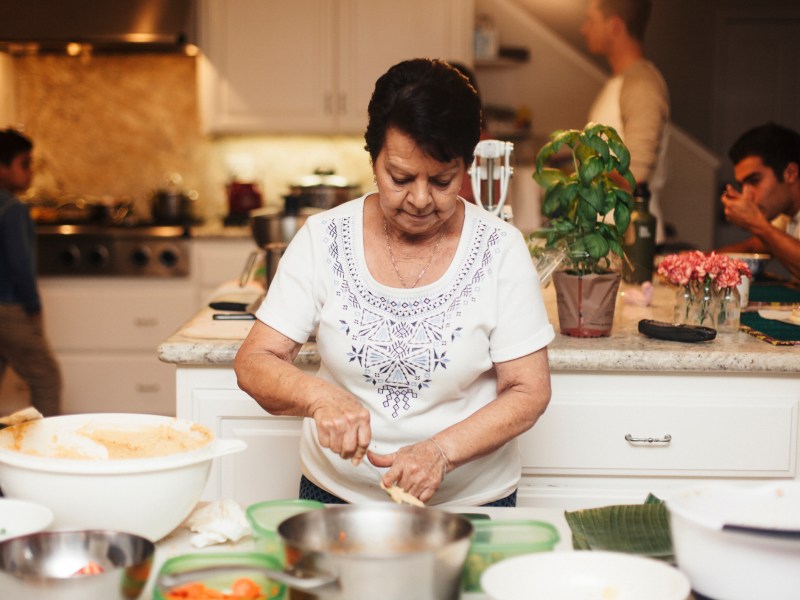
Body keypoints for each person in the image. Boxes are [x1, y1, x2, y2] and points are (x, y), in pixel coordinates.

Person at [235, 58, 554, 507]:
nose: (421, 200)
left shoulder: (501, 249)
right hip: (335, 498)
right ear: (373, 160)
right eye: (400, 178)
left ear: (466, 165)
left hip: (470, 505)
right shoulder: (323, 238)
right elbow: (254, 361)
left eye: (443, 180)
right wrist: (318, 397)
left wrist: (441, 452)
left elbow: (529, 390)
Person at [581, 0, 670, 244]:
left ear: (615, 26)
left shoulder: (642, 85)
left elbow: (635, 176)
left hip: (632, 240)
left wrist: (583, 161)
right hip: (611, 235)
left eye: (591, 20)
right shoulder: (620, 81)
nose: (583, 29)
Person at [0, 128, 61, 417]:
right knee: (46, 377)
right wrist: (34, 310)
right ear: (1, 168)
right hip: (10, 309)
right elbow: (19, 266)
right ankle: (46, 452)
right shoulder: (13, 209)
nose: (31, 171)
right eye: (24, 163)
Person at [718, 123, 800, 280]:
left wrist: (757, 224)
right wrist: (696, 259)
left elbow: (766, 234)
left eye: (755, 181)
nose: (746, 196)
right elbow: (751, 247)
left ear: (790, 173)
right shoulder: (785, 217)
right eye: (742, 185)